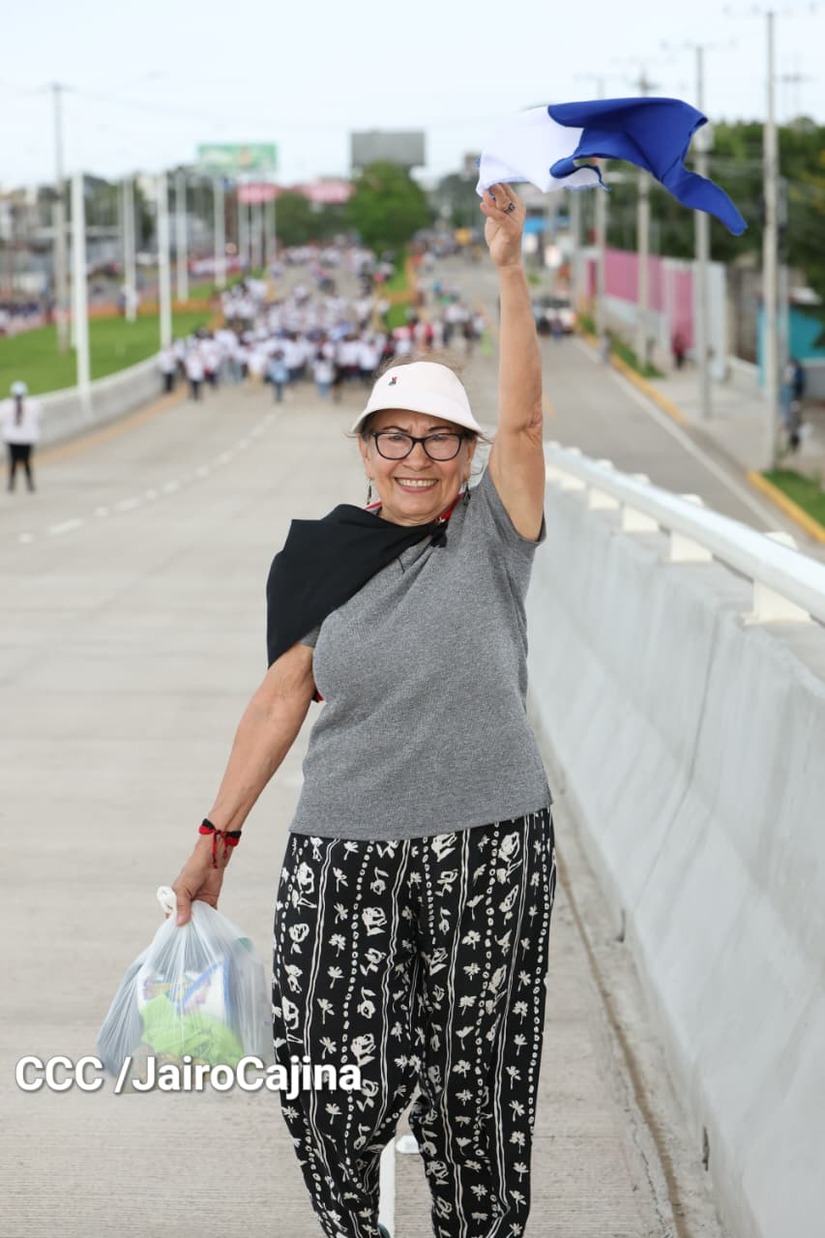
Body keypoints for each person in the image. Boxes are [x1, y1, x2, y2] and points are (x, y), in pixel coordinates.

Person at [171, 183, 556, 1238]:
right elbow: (276, 704)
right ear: (363, 448)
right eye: (395, 438)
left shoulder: (493, 536)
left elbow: (526, 418)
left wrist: (508, 268)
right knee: (324, 1081)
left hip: (490, 845)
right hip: (344, 849)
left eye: (440, 441)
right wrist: (215, 837)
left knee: (476, 1094)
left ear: (469, 456)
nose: (416, 459)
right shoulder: (315, 558)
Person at [1, 380, 41, 493]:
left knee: (15, 461)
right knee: (24, 461)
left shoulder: (6, 406)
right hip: (22, 437)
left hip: (16, 438)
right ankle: (27, 484)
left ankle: (14, 484)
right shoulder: (33, 405)